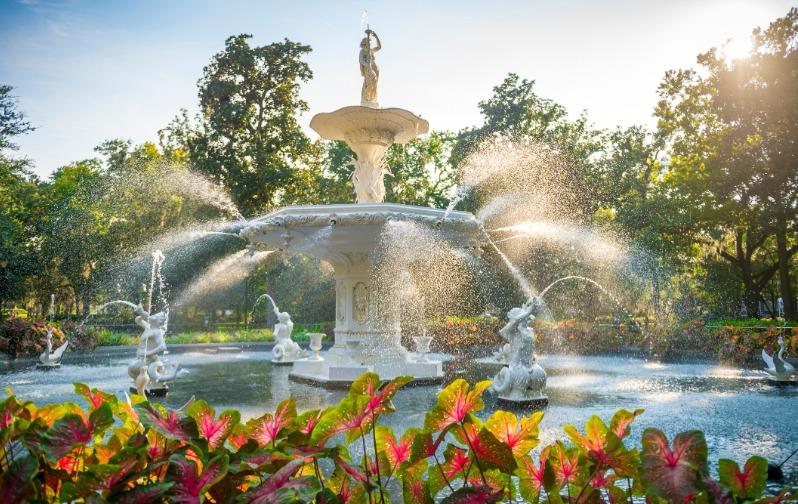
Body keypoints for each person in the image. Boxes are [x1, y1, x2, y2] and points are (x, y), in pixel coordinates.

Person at [359, 29, 381, 105]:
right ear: (365, 43)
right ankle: (365, 98)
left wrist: (376, 37)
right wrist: (367, 65)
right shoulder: (362, 51)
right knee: (368, 84)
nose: (370, 43)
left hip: (375, 68)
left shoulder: (370, 50)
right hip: (368, 69)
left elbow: (379, 47)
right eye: (368, 42)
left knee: (374, 84)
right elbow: (361, 60)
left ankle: (372, 99)